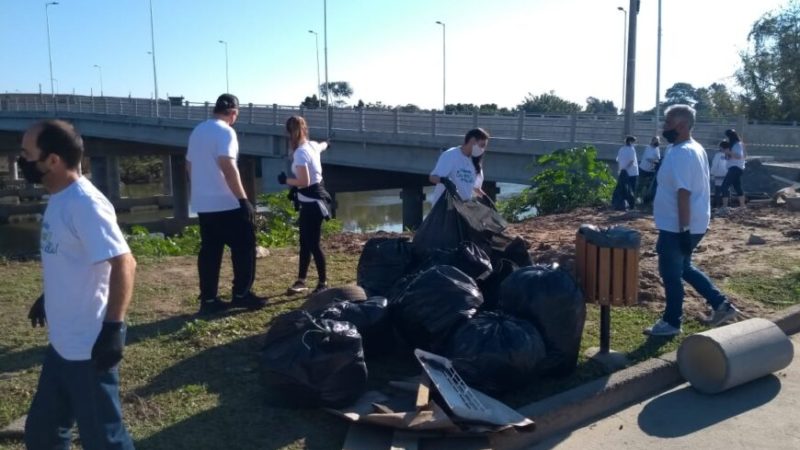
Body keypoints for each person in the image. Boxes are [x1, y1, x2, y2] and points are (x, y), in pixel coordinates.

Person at [19, 120, 137, 449]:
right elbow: (75, 258)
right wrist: (49, 295)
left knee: (105, 439)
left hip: (89, 345)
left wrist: (113, 328)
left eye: (28, 155)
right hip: (62, 344)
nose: (22, 162)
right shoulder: (59, 198)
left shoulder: (85, 204)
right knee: (43, 433)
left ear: (53, 160)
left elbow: (124, 262)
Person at [644, 105, 739, 336]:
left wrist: (684, 230)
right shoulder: (692, 149)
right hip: (691, 223)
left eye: (667, 123)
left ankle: (671, 322)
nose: (663, 127)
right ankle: (721, 305)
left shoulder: (681, 153)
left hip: (678, 227)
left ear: (682, 125)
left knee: (670, 273)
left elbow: (683, 193)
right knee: (684, 268)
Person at [186, 93, 266, 314]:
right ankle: (241, 294)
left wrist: (201, 190)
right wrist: (243, 199)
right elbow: (227, 165)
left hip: (204, 204)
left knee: (210, 252)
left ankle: (209, 300)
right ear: (232, 112)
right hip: (227, 203)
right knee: (245, 247)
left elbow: (189, 165)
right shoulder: (226, 131)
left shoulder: (198, 130)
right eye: (236, 115)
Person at [278, 116, 333, 295]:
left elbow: (304, 181)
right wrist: (327, 143)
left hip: (313, 205)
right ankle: (301, 280)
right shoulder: (312, 145)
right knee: (304, 243)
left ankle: (323, 283)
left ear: (289, 133)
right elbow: (322, 146)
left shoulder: (301, 152)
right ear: (304, 129)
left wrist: (285, 180)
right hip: (311, 203)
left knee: (313, 244)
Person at [429, 128, 490, 205]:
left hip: (463, 209)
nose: (483, 149)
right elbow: (432, 178)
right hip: (445, 208)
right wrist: (444, 181)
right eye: (482, 145)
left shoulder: (476, 163)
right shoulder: (450, 155)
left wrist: (486, 199)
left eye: (484, 147)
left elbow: (475, 189)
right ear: (473, 141)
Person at [720, 128, 747, 208]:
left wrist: (728, 152)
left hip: (735, 168)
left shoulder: (737, 144)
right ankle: (742, 206)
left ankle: (725, 206)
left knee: (724, 186)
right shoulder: (739, 144)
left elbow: (739, 156)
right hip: (737, 168)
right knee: (737, 187)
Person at [615, 135, 639, 209]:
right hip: (631, 172)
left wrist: (621, 169)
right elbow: (631, 161)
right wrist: (626, 168)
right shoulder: (631, 149)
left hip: (622, 172)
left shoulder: (621, 149)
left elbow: (618, 160)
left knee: (623, 188)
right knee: (631, 189)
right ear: (631, 142)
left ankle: (622, 204)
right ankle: (631, 205)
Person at [637, 136, 661, 205]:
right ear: (652, 141)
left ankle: (646, 201)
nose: (657, 142)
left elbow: (658, 157)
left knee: (649, 186)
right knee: (640, 185)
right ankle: (637, 199)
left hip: (651, 170)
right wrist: (656, 162)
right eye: (656, 141)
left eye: (658, 141)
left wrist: (657, 161)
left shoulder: (657, 149)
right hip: (644, 169)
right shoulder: (648, 148)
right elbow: (648, 158)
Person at [710, 140, 731, 208]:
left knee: (718, 190)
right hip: (727, 175)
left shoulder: (718, 155)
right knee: (726, 190)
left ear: (721, 147)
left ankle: (717, 205)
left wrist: (712, 173)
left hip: (719, 175)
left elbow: (715, 165)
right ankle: (727, 204)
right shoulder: (730, 155)